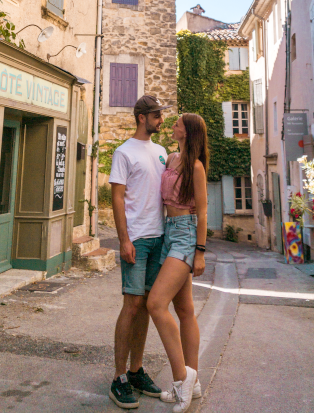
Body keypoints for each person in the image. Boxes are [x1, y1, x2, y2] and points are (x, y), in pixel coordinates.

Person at [108, 95, 173, 410]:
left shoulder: (161, 152)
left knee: (147, 306)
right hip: (136, 239)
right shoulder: (123, 152)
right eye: (157, 115)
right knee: (131, 305)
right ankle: (118, 377)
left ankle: (136, 371)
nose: (161, 120)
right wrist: (123, 240)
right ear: (142, 117)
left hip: (159, 238)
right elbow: (117, 198)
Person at [147, 113, 209, 413]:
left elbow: (204, 212)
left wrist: (200, 251)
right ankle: (193, 384)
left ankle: (181, 378)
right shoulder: (171, 159)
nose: (172, 126)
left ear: (189, 132)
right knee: (185, 310)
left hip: (185, 234)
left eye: (177, 124)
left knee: (156, 304)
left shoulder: (196, 167)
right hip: (168, 232)